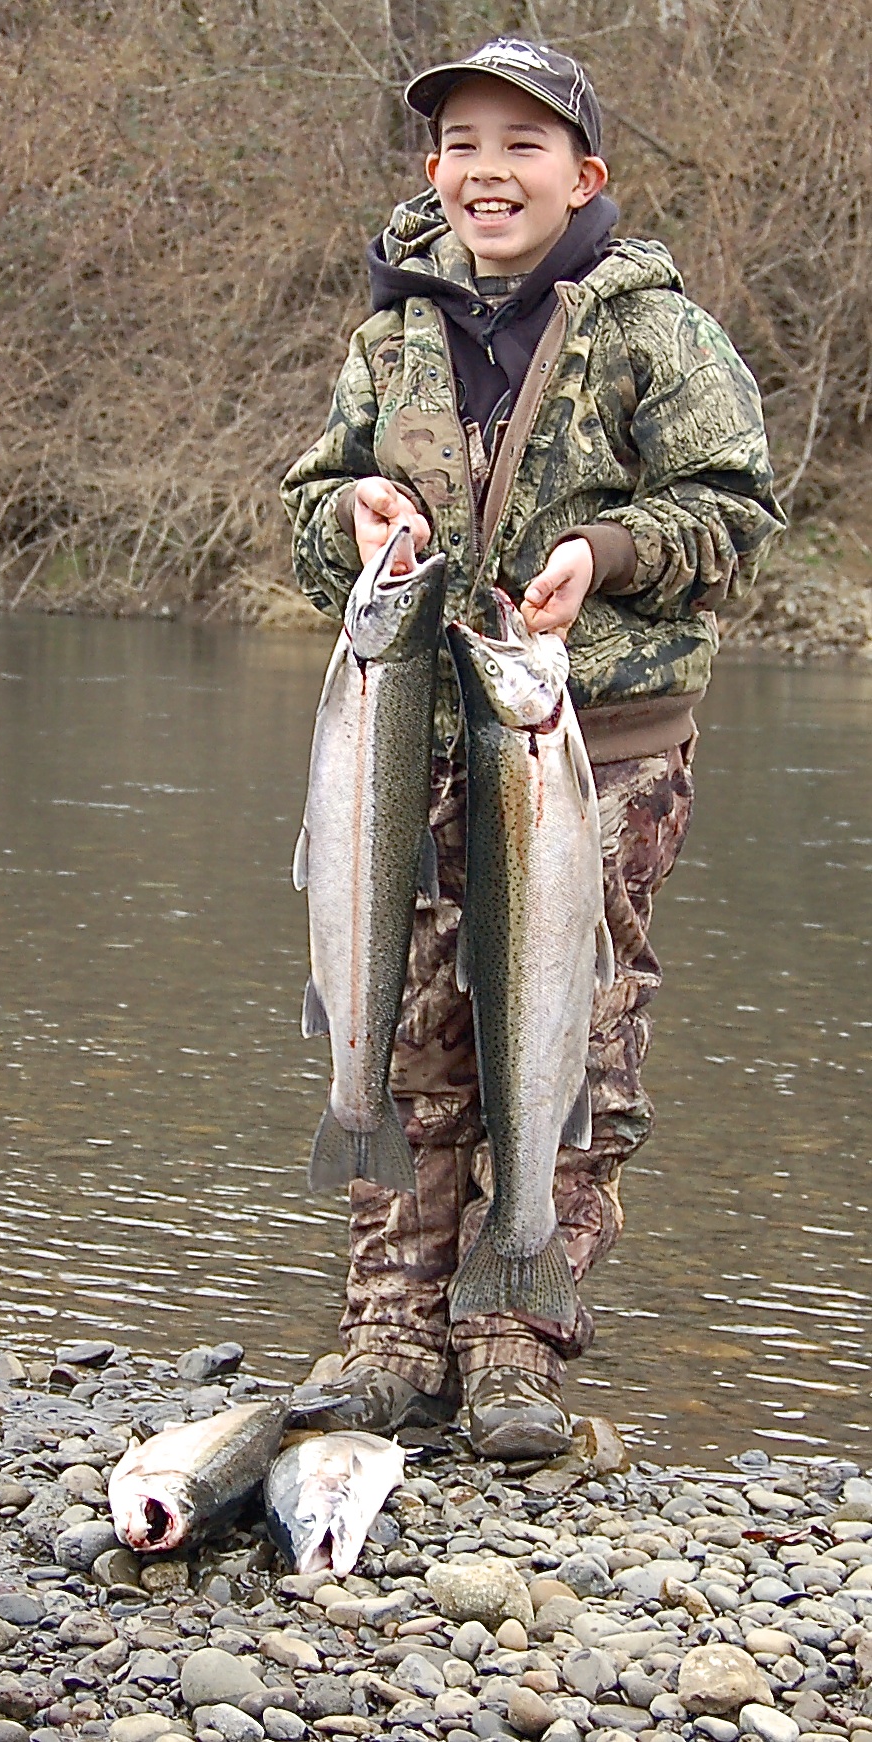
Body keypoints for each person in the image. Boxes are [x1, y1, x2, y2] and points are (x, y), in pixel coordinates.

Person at [279, 38, 781, 1458]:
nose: (486, 170)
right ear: (431, 169)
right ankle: (389, 1333)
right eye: (460, 144)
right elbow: (308, 516)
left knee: (568, 1039)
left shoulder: (660, 335)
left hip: (591, 749)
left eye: (522, 144)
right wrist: (349, 520)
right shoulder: (389, 338)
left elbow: (735, 519)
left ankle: (515, 1338)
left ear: (584, 173)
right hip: (407, 738)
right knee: (410, 1030)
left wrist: (603, 552)